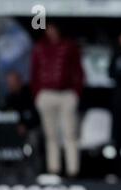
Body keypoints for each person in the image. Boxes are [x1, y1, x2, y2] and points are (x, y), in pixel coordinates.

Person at [31, 22, 84, 178]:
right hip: (46, 94)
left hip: (66, 94)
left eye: (54, 28)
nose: (52, 31)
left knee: (70, 133)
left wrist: (76, 93)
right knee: (50, 135)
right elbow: (34, 73)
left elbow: (79, 71)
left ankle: (73, 171)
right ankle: (54, 170)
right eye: (49, 28)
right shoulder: (40, 47)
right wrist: (37, 95)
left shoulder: (69, 46)